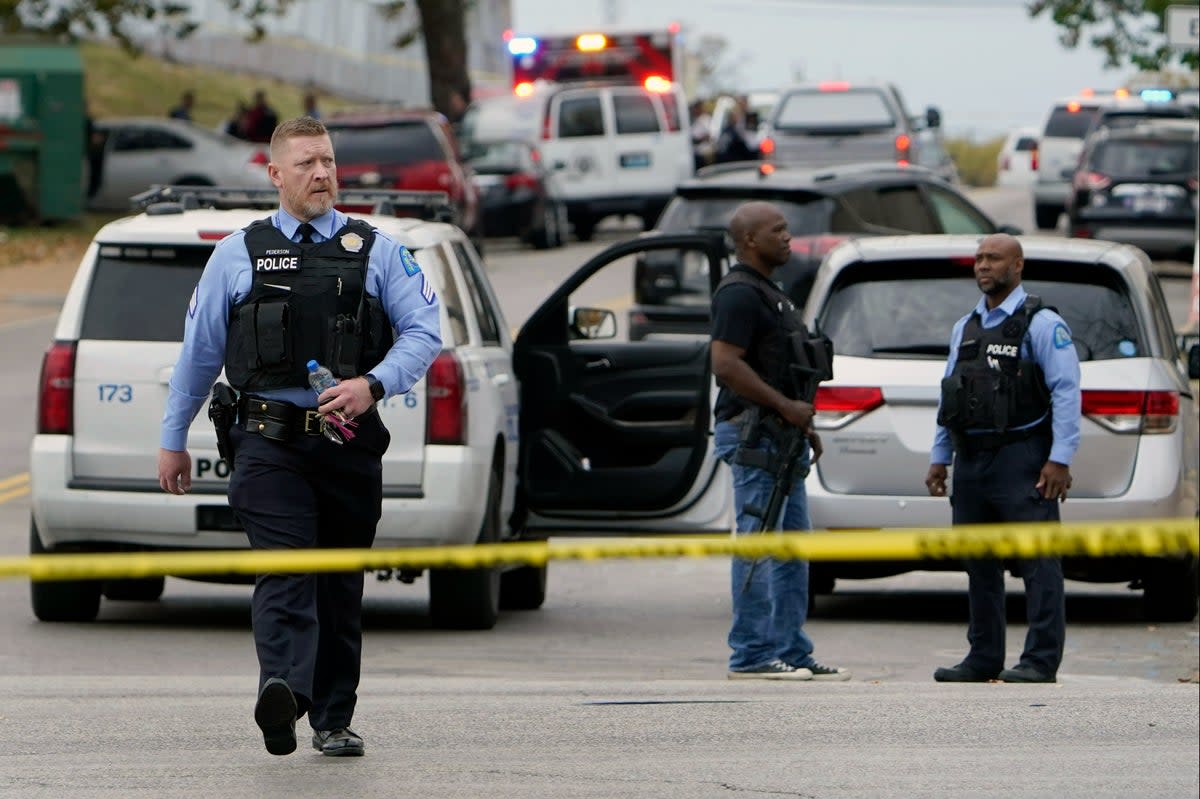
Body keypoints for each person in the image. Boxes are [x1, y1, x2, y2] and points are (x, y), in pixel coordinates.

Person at [157, 116, 442, 756]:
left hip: (347, 441)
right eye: (308, 163)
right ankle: (282, 691)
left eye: (330, 162)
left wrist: (373, 383)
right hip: (267, 442)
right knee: (287, 571)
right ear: (276, 174)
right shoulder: (236, 253)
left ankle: (333, 718)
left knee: (339, 585)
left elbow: (425, 330)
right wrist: (172, 437)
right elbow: (199, 355)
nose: (323, 174)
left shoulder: (377, 250)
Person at [925, 232, 1080, 684]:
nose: (983, 266)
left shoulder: (1042, 323)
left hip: (1023, 457)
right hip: (973, 460)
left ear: (1017, 266)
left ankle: (1040, 660)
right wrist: (941, 458)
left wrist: (1060, 459)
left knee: (1039, 563)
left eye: (993, 258)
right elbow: (950, 395)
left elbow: (1067, 392)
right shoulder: (965, 326)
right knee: (979, 562)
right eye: (978, 258)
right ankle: (983, 657)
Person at [710, 201, 850, 682]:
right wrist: (784, 408)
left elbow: (785, 369)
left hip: (782, 438)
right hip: (754, 434)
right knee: (758, 544)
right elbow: (725, 363)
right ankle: (750, 655)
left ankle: (791, 651)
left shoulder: (774, 294)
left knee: (792, 549)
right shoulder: (738, 294)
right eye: (779, 230)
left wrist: (802, 424)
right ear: (750, 240)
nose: (788, 237)